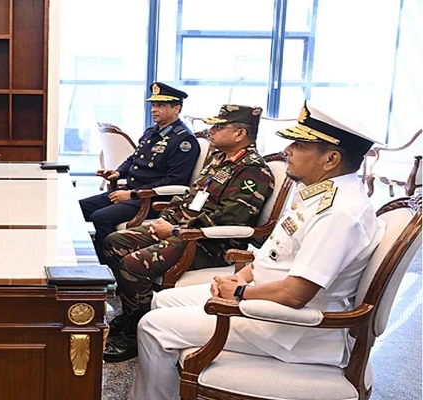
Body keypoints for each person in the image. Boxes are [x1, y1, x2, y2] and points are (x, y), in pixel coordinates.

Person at [131, 101, 385, 399]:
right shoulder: (321, 192)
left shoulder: (339, 213)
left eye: (299, 145)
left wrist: (240, 293)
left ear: (330, 159)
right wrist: (241, 277)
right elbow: (277, 254)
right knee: (163, 300)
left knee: (153, 327)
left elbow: (296, 294)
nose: (287, 150)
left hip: (289, 327)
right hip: (265, 297)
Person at [103, 104, 274, 363]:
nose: (211, 130)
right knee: (114, 242)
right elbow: (190, 196)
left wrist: (174, 230)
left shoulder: (253, 171)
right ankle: (132, 315)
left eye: (219, 126)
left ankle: (135, 331)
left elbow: (228, 219)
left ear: (240, 134)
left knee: (132, 264)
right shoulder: (219, 159)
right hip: (181, 230)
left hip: (209, 245)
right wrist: (165, 220)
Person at [80, 82, 200, 262]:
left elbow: (175, 180)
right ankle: (92, 258)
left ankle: (110, 268)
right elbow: (134, 158)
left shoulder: (184, 140)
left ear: (177, 108)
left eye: (161, 105)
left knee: (101, 217)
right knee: (79, 207)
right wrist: (118, 173)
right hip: (132, 192)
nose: (154, 110)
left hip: (152, 199)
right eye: (153, 105)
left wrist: (133, 194)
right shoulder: (152, 132)